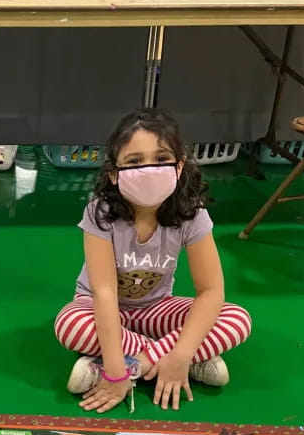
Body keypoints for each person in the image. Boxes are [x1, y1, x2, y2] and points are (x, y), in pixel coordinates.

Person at [54, 108, 252, 412]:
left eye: (161, 159)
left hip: (157, 308)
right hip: (100, 309)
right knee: (70, 325)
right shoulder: (101, 212)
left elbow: (211, 292)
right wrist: (116, 372)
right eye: (134, 162)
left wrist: (178, 356)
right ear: (114, 174)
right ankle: (187, 360)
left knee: (236, 318)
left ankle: (144, 364)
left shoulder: (192, 214)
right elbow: (104, 292)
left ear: (180, 166)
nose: (148, 170)